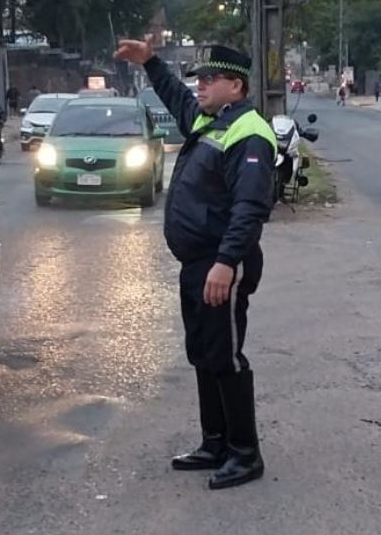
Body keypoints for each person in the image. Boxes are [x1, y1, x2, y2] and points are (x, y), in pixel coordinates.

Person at [115, 36, 275, 490]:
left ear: (237, 87)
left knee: (225, 355)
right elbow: (178, 100)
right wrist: (150, 63)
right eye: (199, 78)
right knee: (205, 354)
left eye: (210, 79)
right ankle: (215, 442)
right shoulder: (211, 121)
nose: (200, 86)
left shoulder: (250, 134)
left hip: (222, 262)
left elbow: (249, 208)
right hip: (198, 263)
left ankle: (246, 454)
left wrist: (226, 263)